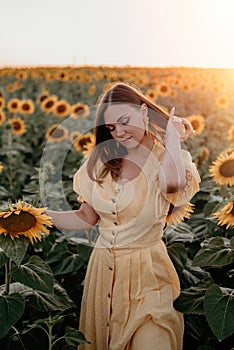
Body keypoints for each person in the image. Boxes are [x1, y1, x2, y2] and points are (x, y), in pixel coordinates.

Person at [46, 82, 201, 350]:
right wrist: (34, 216)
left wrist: (173, 138)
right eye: (111, 128)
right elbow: (86, 217)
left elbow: (172, 185)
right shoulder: (100, 162)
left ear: (143, 111)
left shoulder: (168, 157)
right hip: (104, 275)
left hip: (149, 275)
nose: (119, 132)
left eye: (124, 121)